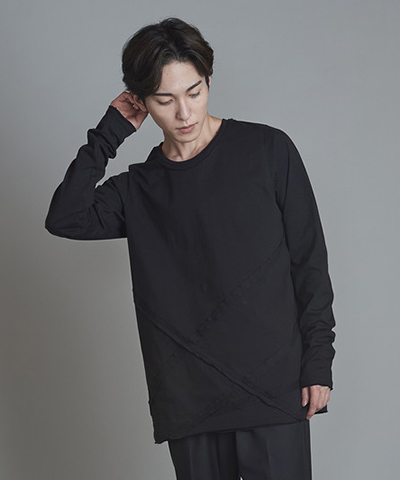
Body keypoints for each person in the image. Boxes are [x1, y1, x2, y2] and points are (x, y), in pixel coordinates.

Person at [45, 16, 336, 480]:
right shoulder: (138, 189)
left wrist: (318, 363)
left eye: (194, 92)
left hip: (274, 389)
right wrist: (109, 133)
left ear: (208, 81)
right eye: (165, 100)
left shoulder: (268, 150)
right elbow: (65, 217)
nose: (184, 113)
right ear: (141, 101)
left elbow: (309, 262)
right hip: (189, 401)